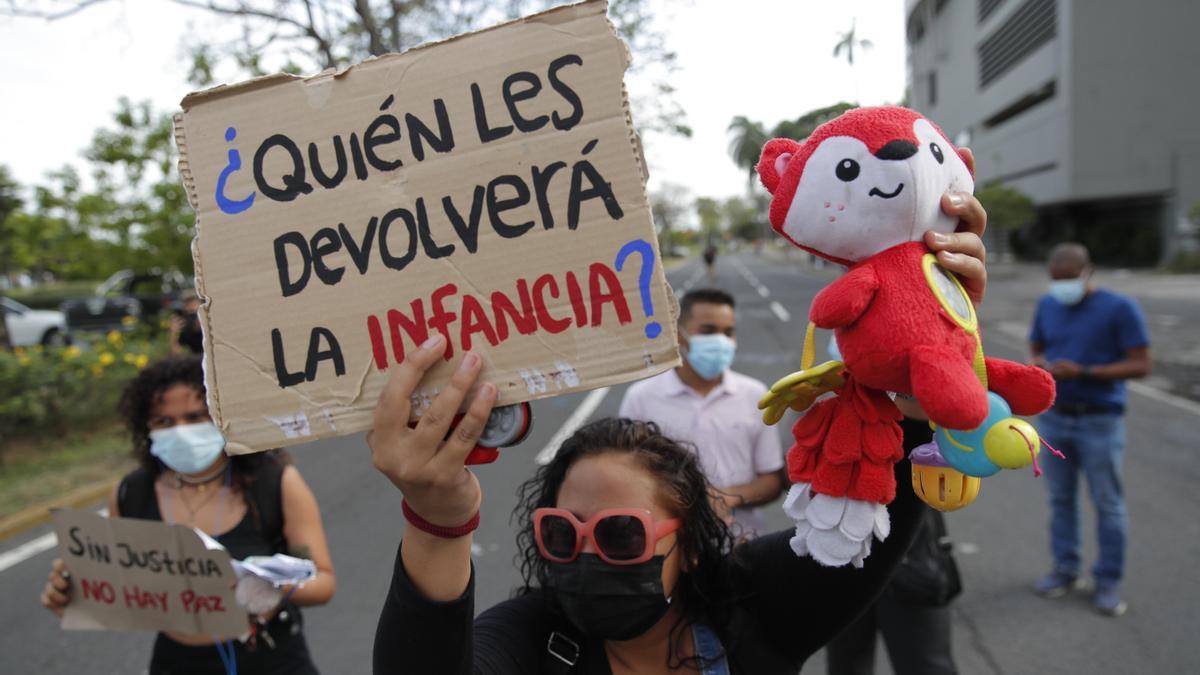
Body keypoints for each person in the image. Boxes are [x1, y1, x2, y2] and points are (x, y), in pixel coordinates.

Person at [369, 189, 991, 674]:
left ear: (690, 546)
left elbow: (877, 519)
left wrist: (923, 337)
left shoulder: (754, 616)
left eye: (620, 535)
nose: (587, 557)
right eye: (560, 535)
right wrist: (438, 517)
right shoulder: (535, 642)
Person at [40, 355, 337, 673]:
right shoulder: (131, 495)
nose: (181, 431)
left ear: (223, 415)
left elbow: (323, 582)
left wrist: (275, 588)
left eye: (196, 416)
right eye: (164, 421)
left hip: (270, 656)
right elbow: (125, 588)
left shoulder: (276, 482)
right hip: (177, 662)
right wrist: (73, 593)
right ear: (146, 426)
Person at [1029, 242, 1151, 617]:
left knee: (1107, 503)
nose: (1062, 287)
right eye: (1056, 280)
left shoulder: (1119, 308)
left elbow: (1141, 364)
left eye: (1069, 280)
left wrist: (1085, 372)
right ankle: (1065, 570)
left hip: (1099, 418)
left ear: (1088, 272)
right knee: (1060, 500)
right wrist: (1039, 364)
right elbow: (1035, 346)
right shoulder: (1048, 305)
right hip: (1055, 416)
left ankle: (1107, 580)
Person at [619, 288, 784, 537]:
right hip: (666, 543)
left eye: (728, 333)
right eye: (708, 331)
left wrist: (726, 498)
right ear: (679, 335)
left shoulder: (756, 395)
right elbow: (624, 474)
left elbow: (772, 480)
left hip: (742, 543)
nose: (721, 341)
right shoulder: (641, 397)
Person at [169, 290, 204, 356]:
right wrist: (173, 334)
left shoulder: (212, 324)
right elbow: (175, 355)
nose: (191, 308)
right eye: (187, 305)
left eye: (194, 304)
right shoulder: (187, 328)